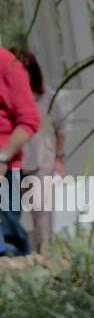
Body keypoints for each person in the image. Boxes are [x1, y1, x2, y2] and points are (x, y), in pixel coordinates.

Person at [13, 47, 64, 254]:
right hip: (12, 166)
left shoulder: (47, 97)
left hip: (41, 163)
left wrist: (58, 159)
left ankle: (45, 257)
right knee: (10, 215)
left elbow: (61, 130)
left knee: (41, 214)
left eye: (25, 69)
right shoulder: (6, 98)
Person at [0, 45, 41, 257]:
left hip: (3, 174)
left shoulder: (6, 64)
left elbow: (29, 120)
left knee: (9, 245)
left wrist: (2, 157)